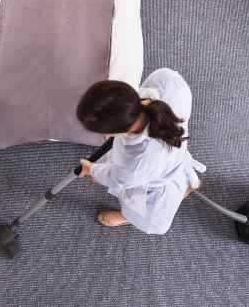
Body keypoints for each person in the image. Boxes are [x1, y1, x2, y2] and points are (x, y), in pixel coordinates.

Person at [76, 68, 206, 235]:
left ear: (117, 132)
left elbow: (116, 178)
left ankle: (127, 217)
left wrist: (90, 169)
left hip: (152, 183)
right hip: (170, 155)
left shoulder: (136, 165)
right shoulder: (166, 81)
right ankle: (184, 187)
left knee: (139, 211)